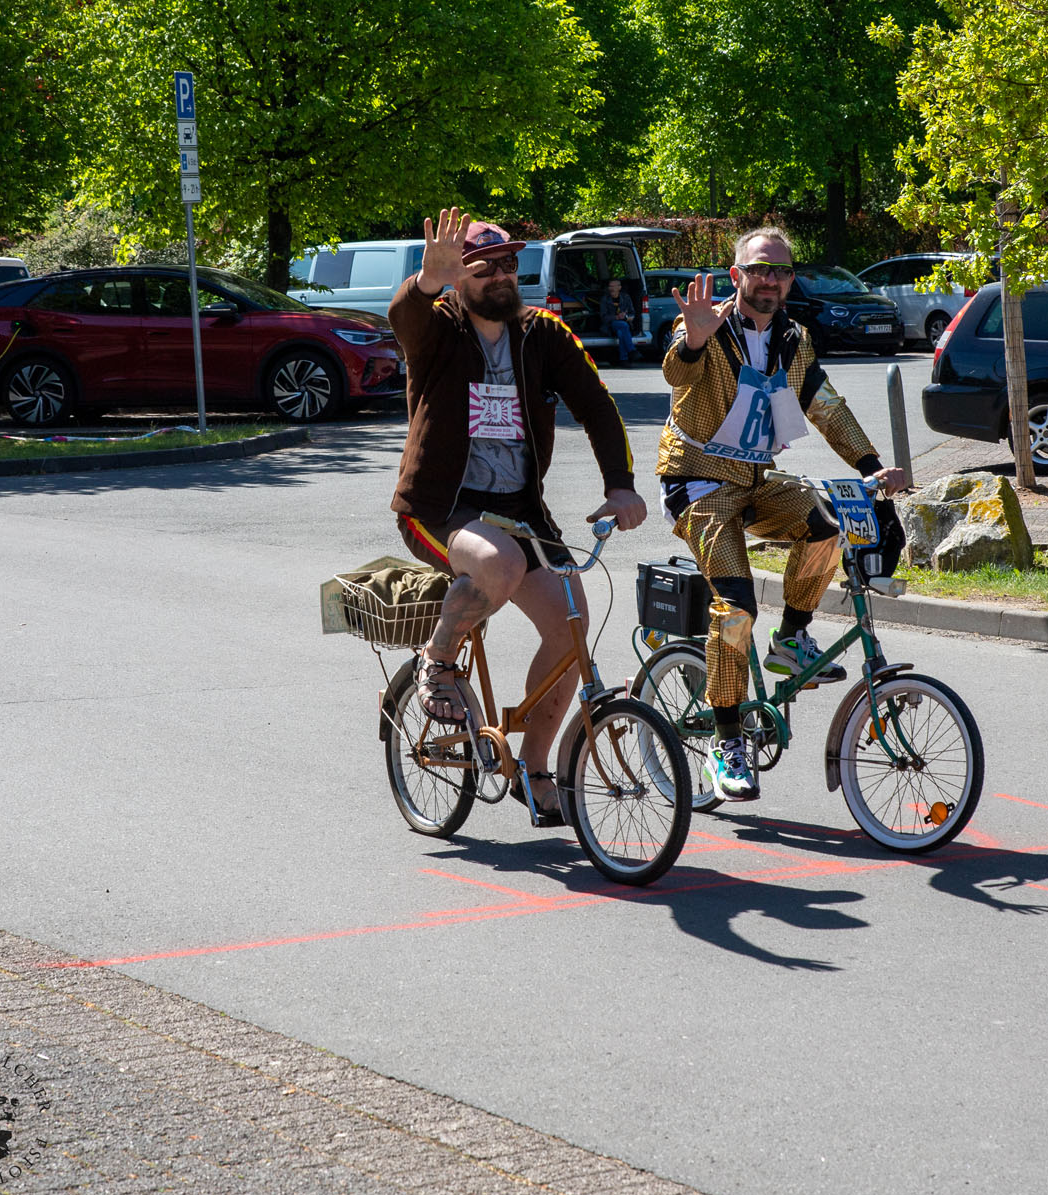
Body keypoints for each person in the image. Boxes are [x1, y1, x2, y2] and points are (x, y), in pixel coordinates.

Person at [388, 207, 648, 825]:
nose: (502, 277)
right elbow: (403, 320)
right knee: (497, 566)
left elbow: (599, 407)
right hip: (440, 507)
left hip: (521, 510)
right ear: (458, 279)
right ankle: (438, 660)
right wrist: (426, 282)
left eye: (509, 264)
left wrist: (620, 486)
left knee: (573, 626)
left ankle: (534, 770)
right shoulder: (439, 328)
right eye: (484, 268)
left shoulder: (544, 334)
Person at [657, 226, 908, 803]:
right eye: (759, 268)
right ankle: (727, 741)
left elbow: (824, 405)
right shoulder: (706, 326)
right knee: (736, 606)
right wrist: (693, 342)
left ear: (791, 280)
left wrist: (872, 466)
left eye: (781, 270)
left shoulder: (795, 339)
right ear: (736, 275)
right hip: (697, 483)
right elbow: (678, 371)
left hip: (753, 480)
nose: (770, 279)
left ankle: (791, 639)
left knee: (824, 525)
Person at [599, 277, 637, 363]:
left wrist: (626, 317)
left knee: (621, 333)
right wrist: (616, 317)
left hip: (624, 324)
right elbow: (603, 317)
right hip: (609, 325)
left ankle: (623, 359)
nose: (611, 288)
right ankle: (631, 350)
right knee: (623, 325)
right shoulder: (605, 299)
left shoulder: (626, 298)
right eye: (610, 286)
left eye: (614, 286)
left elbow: (632, 314)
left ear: (619, 287)